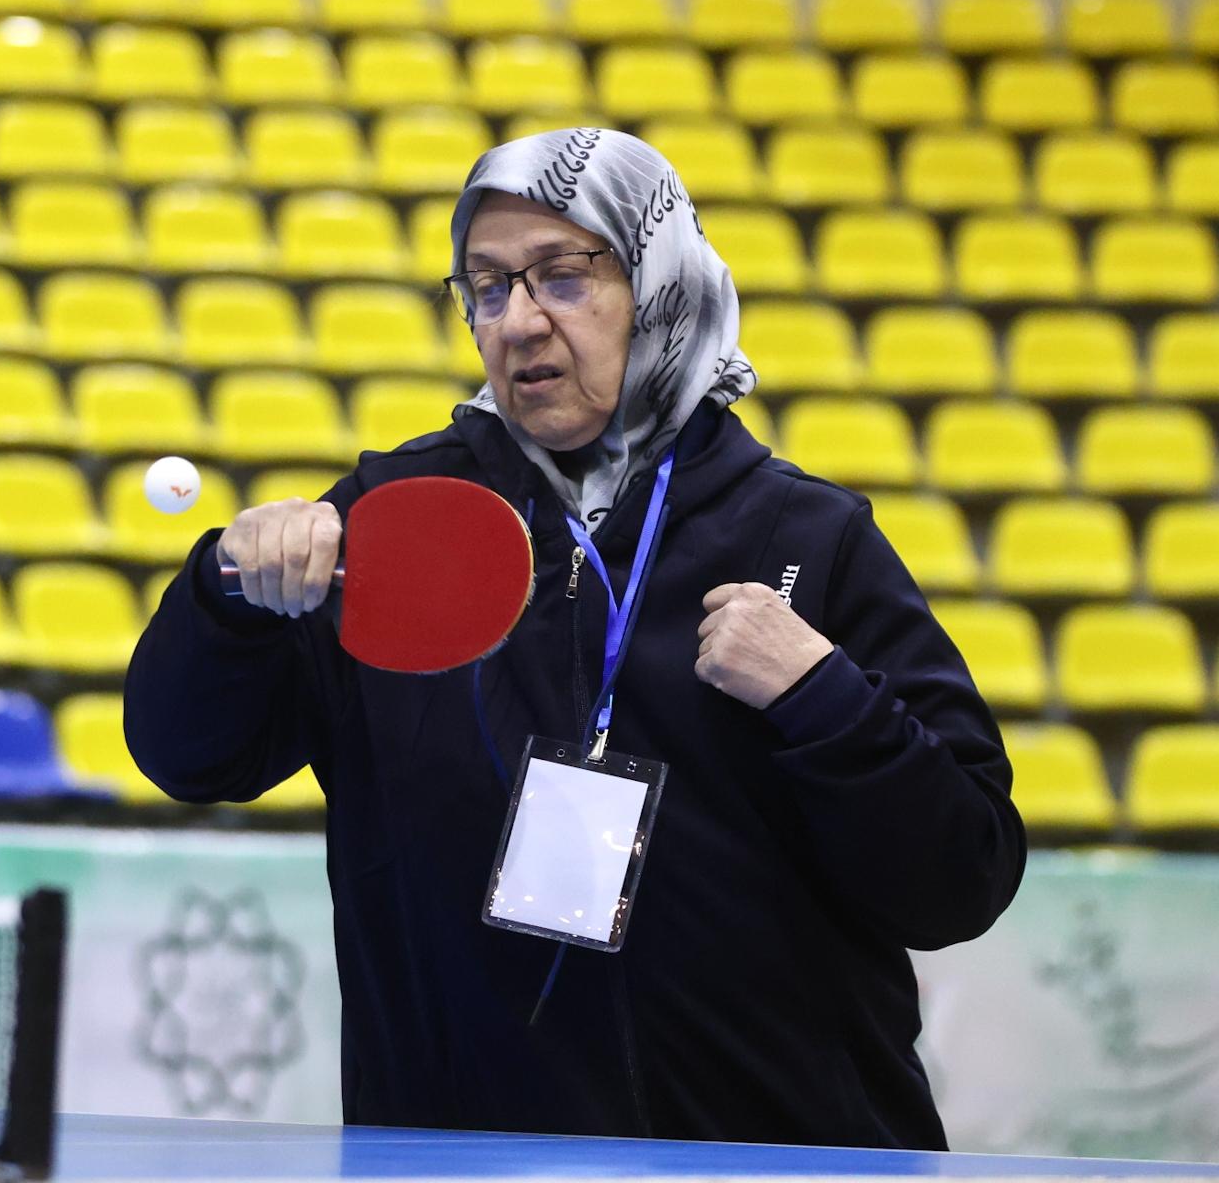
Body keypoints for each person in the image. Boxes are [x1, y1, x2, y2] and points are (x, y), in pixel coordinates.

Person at [124, 128, 1026, 1150]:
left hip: (778, 1161)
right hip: (453, 1160)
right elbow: (190, 759)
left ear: (659, 281)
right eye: (487, 287)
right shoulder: (389, 521)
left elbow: (962, 878)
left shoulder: (808, 538)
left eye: (563, 276)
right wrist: (227, 602)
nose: (518, 321)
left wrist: (821, 696)